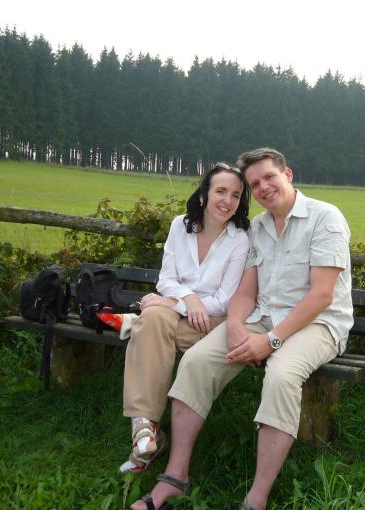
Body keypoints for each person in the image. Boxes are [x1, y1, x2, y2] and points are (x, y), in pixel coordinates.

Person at [131, 148, 353, 510]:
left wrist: (271, 341)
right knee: (197, 361)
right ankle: (175, 477)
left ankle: (255, 499)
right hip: (262, 318)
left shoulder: (324, 218)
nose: (263, 187)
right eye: (255, 183)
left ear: (287, 175)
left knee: (281, 375)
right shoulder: (259, 228)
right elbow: (246, 292)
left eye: (269, 177)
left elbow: (322, 296)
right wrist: (235, 325)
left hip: (318, 324)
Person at [120, 162, 250, 474]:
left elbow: (224, 300)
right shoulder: (181, 225)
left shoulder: (240, 239)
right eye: (220, 191)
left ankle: (147, 435)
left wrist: (170, 303)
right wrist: (187, 300)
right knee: (153, 319)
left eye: (235, 195)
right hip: (176, 314)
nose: (227, 200)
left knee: (150, 323)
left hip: (211, 324)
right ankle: (145, 428)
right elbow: (166, 279)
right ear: (204, 195)